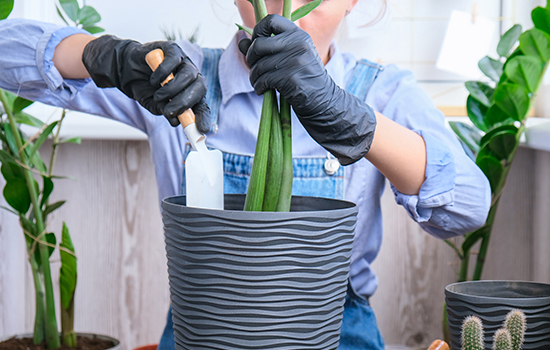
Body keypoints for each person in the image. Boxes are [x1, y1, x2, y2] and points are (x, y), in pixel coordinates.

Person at [0, 0, 491, 349]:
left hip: (336, 332)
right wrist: (104, 56)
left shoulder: (382, 93)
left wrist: (355, 121)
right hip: (203, 331)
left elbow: (469, 207)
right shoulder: (173, 77)